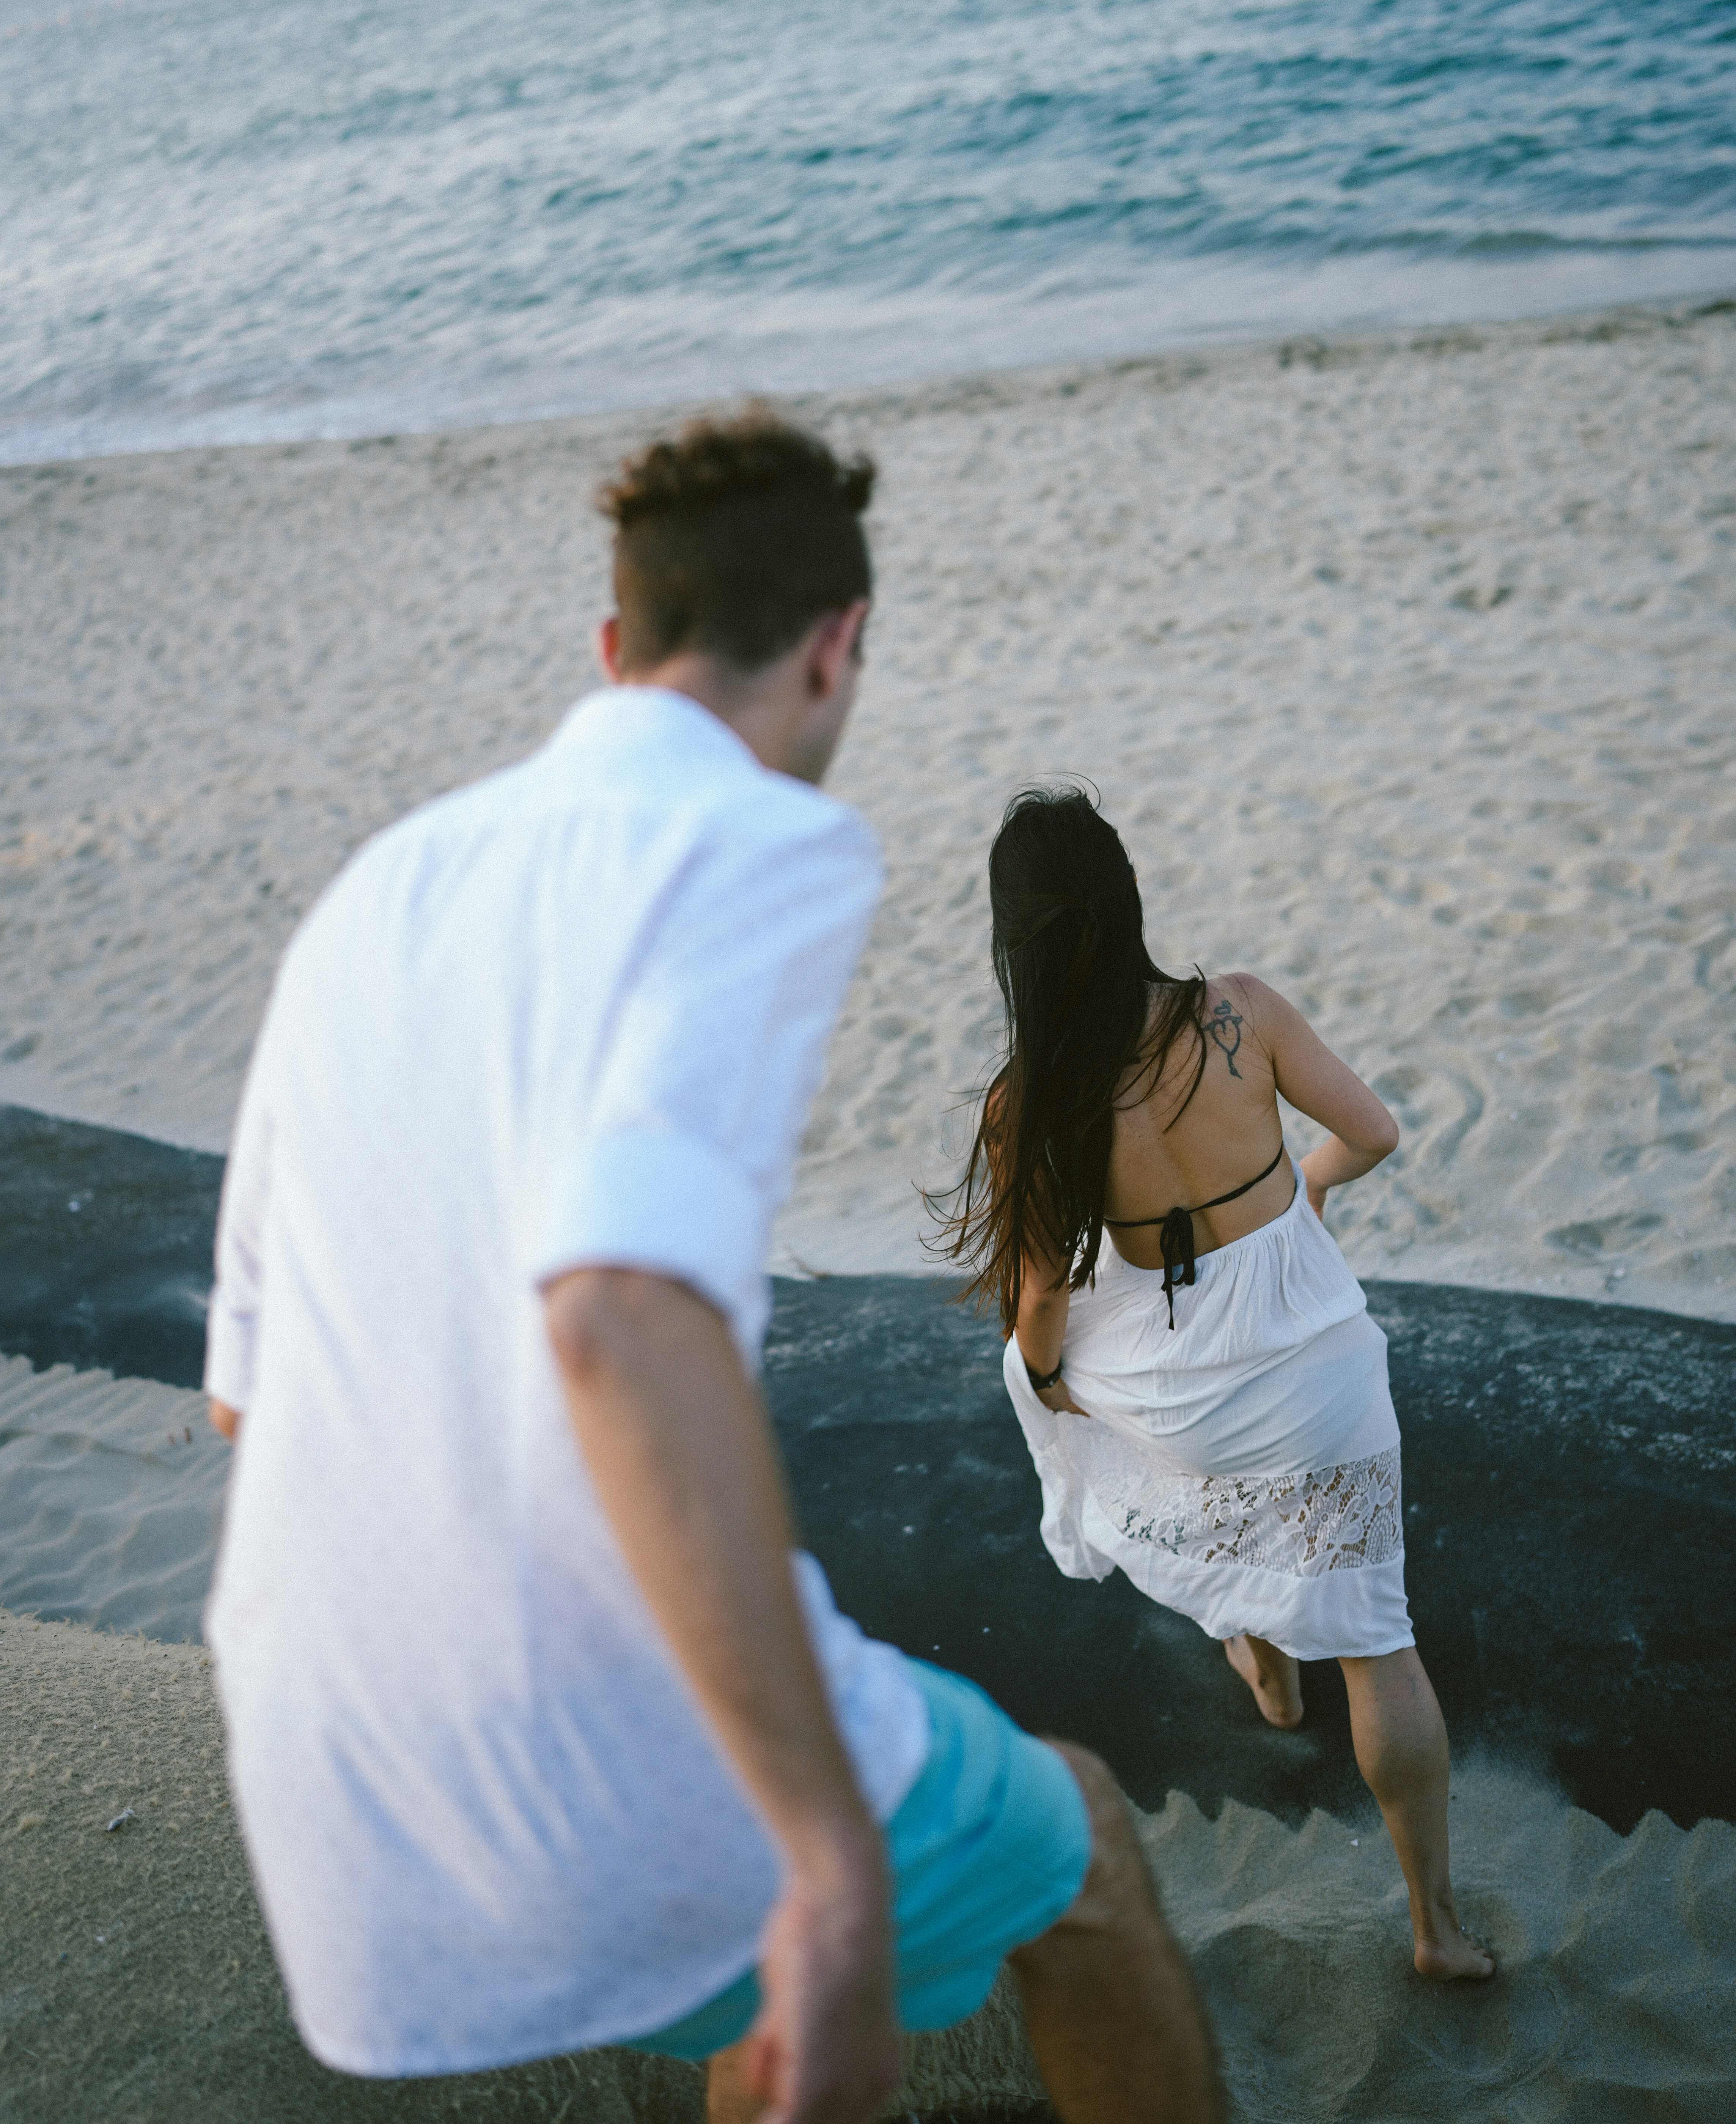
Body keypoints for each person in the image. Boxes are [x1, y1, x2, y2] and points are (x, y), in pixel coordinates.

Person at [204, 414, 1221, 2124]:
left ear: (610, 647)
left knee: (764, 2030)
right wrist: (827, 1862)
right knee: (1083, 1853)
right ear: (837, 651)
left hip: (328, 1769)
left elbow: (248, 1401)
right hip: (582, 1754)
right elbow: (614, 1312)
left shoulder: (379, 890)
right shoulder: (753, 835)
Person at [931, 785, 1495, 1986]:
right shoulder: (1239, 1010)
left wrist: (1045, 1382)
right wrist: (1313, 1191)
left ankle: (1260, 1655)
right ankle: (1436, 1929)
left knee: (1071, 1389)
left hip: (1188, 1390)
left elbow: (1038, 1302)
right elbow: (1377, 1131)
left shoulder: (1031, 1097)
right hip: (1318, 1372)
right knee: (1380, 1640)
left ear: (1016, 946)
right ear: (1126, 897)